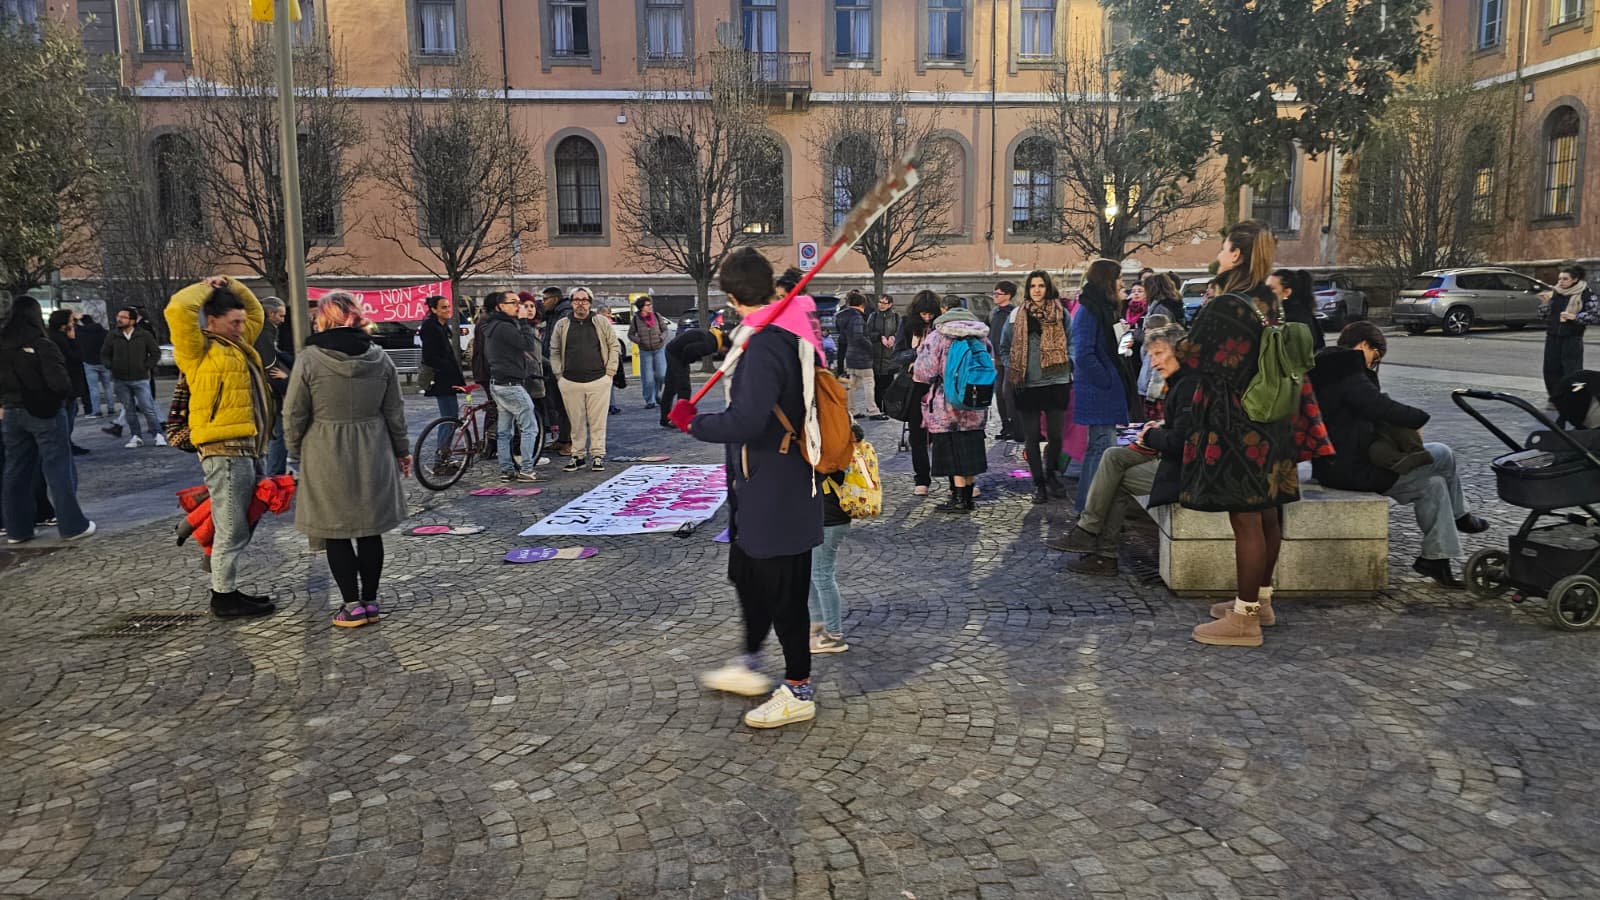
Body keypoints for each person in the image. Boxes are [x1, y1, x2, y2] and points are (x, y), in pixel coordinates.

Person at [680, 247, 824, 729]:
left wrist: (694, 423)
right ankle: (750, 661)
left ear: (731, 297)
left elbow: (747, 420)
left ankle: (798, 689)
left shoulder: (766, 345)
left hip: (776, 487)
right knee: (749, 578)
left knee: (785, 593)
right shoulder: (772, 333)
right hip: (758, 486)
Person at [1181, 220, 1299, 647]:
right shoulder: (1268, 299)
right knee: (1266, 511)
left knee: (1245, 518)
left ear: (1236, 255)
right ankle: (1259, 601)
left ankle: (1245, 620)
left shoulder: (1226, 305)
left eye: (1223, 247)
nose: (1218, 253)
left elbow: (1191, 356)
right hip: (1271, 417)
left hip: (1236, 422)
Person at [1308, 321, 1488, 589]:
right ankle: (1461, 516)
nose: (1374, 364)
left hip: (1340, 463)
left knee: (1434, 484)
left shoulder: (1328, 367)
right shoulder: (1345, 369)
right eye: (1376, 356)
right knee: (1443, 453)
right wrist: (1418, 419)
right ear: (1363, 345)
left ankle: (1436, 559)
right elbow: (1377, 406)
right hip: (1352, 468)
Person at [283, 292, 411, 629]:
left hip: (325, 448)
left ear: (323, 319)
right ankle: (371, 600)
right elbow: (395, 411)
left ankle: (351, 605)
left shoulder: (309, 359)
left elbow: (294, 412)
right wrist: (402, 450)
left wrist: (295, 450)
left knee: (335, 529)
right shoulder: (380, 358)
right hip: (374, 446)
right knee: (370, 529)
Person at [165, 276, 275, 618]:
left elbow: (256, 311)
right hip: (224, 448)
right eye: (234, 322)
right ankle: (223, 597)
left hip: (248, 445)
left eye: (241, 322)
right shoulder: (197, 349)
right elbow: (178, 309)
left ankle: (222, 583)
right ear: (212, 320)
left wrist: (233, 285)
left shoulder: (237, 344)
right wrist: (208, 287)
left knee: (238, 517)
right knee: (231, 526)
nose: (242, 327)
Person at [1049, 323, 1190, 574]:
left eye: (1159, 353)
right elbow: (1181, 429)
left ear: (1179, 351)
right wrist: (1160, 426)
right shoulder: (1180, 382)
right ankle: (1090, 536)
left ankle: (1099, 548)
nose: (1154, 362)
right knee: (1113, 456)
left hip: (1188, 471)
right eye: (1151, 355)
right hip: (1175, 460)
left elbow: (1181, 442)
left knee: (1116, 475)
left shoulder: (1188, 386)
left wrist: (1152, 435)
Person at [0, 296, 96, 544]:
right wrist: (59, 397)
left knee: (16, 470)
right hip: (45, 411)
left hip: (11, 411)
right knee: (57, 467)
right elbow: (60, 383)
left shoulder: (3, 345)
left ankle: (17, 529)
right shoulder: (43, 345)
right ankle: (72, 525)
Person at [1000, 271, 1073, 504]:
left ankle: (1051, 473)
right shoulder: (1016, 315)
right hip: (1027, 383)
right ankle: (1038, 483)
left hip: (1056, 380)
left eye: (1041, 285)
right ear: (1028, 289)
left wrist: (1069, 361)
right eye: (1033, 286)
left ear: (1048, 288)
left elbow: (1072, 340)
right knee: (1031, 437)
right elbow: (1004, 347)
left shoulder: (1061, 313)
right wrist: (1014, 366)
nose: (1037, 290)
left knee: (1056, 436)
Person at [914, 302, 992, 513]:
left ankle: (958, 499)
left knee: (954, 451)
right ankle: (968, 497)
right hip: (976, 403)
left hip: (947, 404)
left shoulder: (938, 337)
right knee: (971, 451)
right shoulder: (981, 337)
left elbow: (924, 372)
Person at [1071, 260, 1129, 511]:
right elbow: (1083, 353)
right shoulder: (1089, 309)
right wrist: (1105, 378)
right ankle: (1091, 510)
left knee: (1100, 448)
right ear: (1107, 280)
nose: (1121, 283)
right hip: (1099, 391)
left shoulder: (1103, 308)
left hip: (1104, 389)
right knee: (1102, 449)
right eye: (1118, 278)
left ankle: (1089, 508)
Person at [550, 286, 620, 472]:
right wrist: (559, 374)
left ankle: (598, 455)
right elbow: (554, 350)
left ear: (590, 302)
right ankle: (578, 455)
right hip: (570, 380)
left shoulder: (601, 322)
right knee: (576, 421)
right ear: (571, 302)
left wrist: (610, 372)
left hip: (598, 379)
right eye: (576, 300)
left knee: (598, 421)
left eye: (584, 300)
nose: (580, 303)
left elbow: (613, 345)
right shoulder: (562, 324)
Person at [810, 423, 863, 655]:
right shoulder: (841, 444)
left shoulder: (830, 453)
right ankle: (817, 624)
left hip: (829, 519)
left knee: (821, 575)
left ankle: (834, 635)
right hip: (828, 518)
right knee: (813, 574)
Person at [480, 290, 543, 483]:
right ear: (501, 306)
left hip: (498, 382)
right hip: (510, 384)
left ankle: (506, 469)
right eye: (513, 302)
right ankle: (526, 469)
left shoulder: (493, 325)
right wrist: (524, 321)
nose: (519, 306)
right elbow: (527, 344)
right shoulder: (505, 327)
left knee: (505, 431)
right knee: (530, 428)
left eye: (519, 302)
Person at [894, 291, 943, 496]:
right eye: (924, 314)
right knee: (917, 434)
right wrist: (918, 352)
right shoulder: (907, 324)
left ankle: (951, 478)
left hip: (938, 385)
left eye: (931, 314)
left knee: (942, 432)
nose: (927, 318)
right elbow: (897, 354)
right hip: (914, 385)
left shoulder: (941, 326)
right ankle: (922, 478)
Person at [102, 306, 163, 449]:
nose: (119, 319)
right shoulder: (113, 335)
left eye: (123, 317)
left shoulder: (144, 335)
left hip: (140, 378)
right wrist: (111, 365)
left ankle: (158, 434)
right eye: (118, 316)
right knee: (129, 410)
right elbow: (105, 354)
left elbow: (155, 352)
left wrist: (146, 366)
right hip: (120, 379)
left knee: (147, 408)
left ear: (133, 320)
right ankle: (136, 436)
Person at [419, 294, 468, 468]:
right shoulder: (431, 328)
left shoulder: (441, 327)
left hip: (447, 379)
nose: (448, 310)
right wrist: (447, 368)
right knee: (449, 419)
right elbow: (430, 357)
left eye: (448, 306)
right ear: (434, 310)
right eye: (443, 307)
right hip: (441, 380)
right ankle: (441, 459)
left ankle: (443, 457)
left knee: (450, 418)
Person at [1540, 265, 1594, 407]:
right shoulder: (1555, 292)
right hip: (1553, 335)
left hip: (1572, 336)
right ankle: (1555, 398)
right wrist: (1544, 304)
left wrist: (1575, 317)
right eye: (1560, 279)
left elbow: (1594, 315)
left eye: (1565, 279)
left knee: (1572, 369)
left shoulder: (1586, 293)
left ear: (1575, 279)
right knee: (1551, 368)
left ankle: (1572, 399)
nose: (1561, 282)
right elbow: (1543, 315)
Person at [658, 324, 724, 427]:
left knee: (671, 387)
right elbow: (689, 350)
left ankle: (665, 418)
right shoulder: (710, 345)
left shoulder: (711, 336)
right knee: (684, 388)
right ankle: (679, 419)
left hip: (673, 349)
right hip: (677, 354)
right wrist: (686, 363)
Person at [255, 296, 292, 476]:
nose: (283, 320)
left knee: (276, 434)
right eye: (281, 315)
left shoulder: (264, 332)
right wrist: (287, 382)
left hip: (268, 390)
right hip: (271, 392)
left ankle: (273, 473)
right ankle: (274, 475)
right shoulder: (265, 333)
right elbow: (271, 365)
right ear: (270, 313)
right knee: (278, 434)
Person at [46, 311, 91, 457]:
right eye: (72, 321)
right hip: (67, 383)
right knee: (67, 415)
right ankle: (65, 445)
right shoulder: (60, 340)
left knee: (70, 412)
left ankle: (66, 443)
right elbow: (76, 357)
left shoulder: (52, 337)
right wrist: (73, 340)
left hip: (67, 382)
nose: (74, 324)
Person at [836, 291, 886, 420]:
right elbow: (859, 336)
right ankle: (873, 410)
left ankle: (852, 410)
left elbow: (844, 336)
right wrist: (870, 347)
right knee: (869, 382)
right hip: (862, 356)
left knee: (852, 384)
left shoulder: (843, 317)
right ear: (862, 304)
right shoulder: (857, 317)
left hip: (850, 353)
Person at [539, 286, 573, 456]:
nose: (543, 302)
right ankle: (563, 438)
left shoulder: (565, 313)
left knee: (567, 406)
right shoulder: (552, 314)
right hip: (552, 365)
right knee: (558, 405)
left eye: (545, 299)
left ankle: (571, 442)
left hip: (562, 367)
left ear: (555, 299)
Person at [986, 281, 1020, 441]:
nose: (995, 296)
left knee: (1008, 392)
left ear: (1008, 295)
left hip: (1010, 358)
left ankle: (1016, 426)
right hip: (996, 358)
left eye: (998, 294)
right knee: (999, 392)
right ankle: (1006, 425)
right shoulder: (994, 312)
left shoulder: (1014, 313)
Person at [629, 296, 669, 410]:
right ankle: (650, 400)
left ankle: (656, 394)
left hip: (659, 349)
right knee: (648, 378)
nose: (650, 307)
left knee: (661, 374)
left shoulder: (656, 316)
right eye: (647, 305)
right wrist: (639, 341)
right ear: (642, 307)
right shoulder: (636, 319)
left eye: (650, 304)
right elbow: (630, 334)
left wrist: (661, 337)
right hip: (645, 351)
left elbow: (665, 329)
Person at [1270, 269, 1325, 351]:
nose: (1264, 292)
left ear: (1287, 292)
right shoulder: (1303, 313)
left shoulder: (1292, 321)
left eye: (1271, 288)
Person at [866, 294, 901, 415]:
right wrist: (879, 337)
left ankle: (887, 409)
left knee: (889, 386)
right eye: (880, 302)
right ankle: (877, 409)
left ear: (890, 304)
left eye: (884, 303)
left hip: (890, 357)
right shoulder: (873, 316)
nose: (881, 305)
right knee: (876, 385)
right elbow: (867, 333)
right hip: (876, 356)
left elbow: (900, 332)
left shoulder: (896, 317)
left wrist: (894, 337)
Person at [76, 314, 111, 418]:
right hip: (104, 362)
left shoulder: (81, 333)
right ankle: (111, 408)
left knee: (93, 388)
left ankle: (97, 410)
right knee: (108, 387)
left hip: (89, 362)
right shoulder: (104, 332)